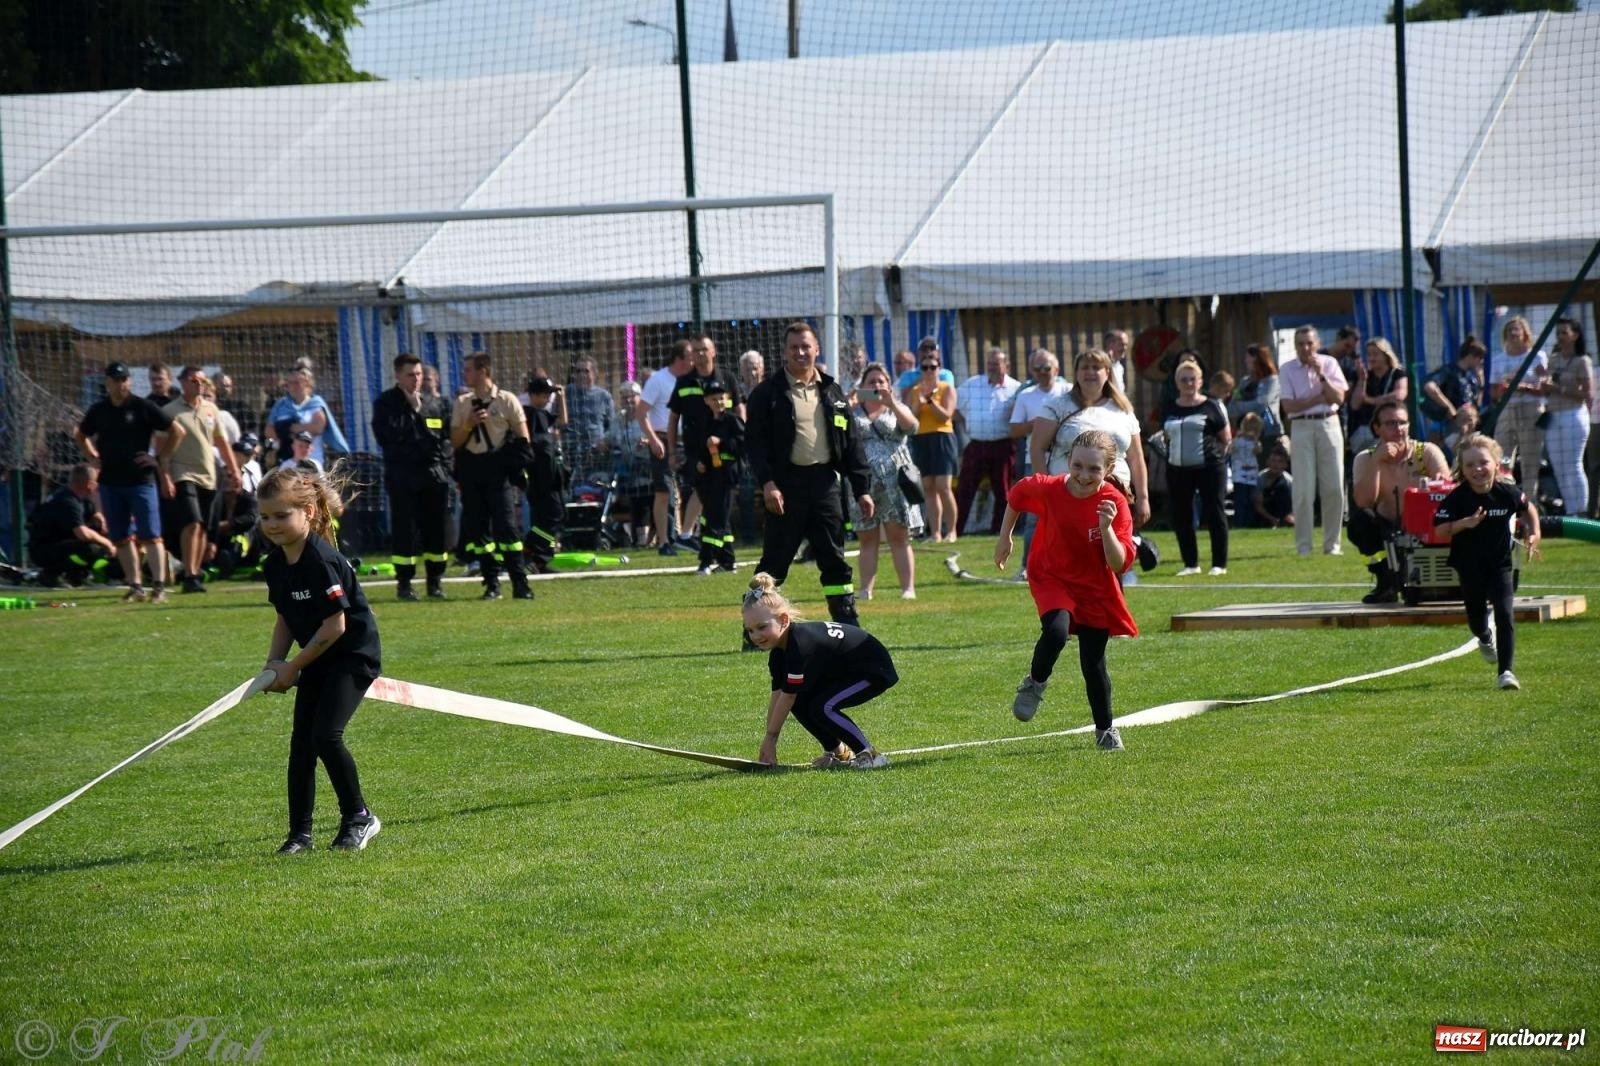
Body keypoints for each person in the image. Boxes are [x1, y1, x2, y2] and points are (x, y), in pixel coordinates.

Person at [258, 463, 383, 853]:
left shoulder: (321, 561)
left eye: (282, 515)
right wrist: (273, 663)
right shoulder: (275, 564)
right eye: (265, 517)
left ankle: (359, 817)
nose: (272, 525)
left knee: (326, 735)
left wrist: (292, 667)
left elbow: (335, 626)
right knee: (301, 746)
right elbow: (285, 617)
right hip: (318, 657)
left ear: (308, 512)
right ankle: (300, 835)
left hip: (352, 656)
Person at [995, 429, 1138, 751]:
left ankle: (1105, 730)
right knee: (1056, 632)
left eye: (1094, 469)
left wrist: (1105, 529)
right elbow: (1016, 495)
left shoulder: (1114, 503)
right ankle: (1035, 682)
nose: (1084, 475)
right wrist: (1005, 538)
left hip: (1094, 586)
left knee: (1094, 663)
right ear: (1068, 460)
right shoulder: (1049, 488)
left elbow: (1118, 564)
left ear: (1109, 469)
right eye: (1077, 466)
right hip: (1051, 575)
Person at [745, 321, 874, 626]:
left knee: (834, 559)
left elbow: (852, 443)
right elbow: (755, 445)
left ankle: (847, 624)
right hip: (785, 488)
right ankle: (755, 626)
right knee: (774, 563)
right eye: (794, 347)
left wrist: (862, 489)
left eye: (806, 346)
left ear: (817, 349)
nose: (800, 352)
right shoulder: (767, 394)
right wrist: (768, 483)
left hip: (825, 485)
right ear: (784, 351)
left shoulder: (832, 391)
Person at [742, 573, 896, 770]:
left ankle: (870, 754)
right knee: (802, 702)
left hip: (872, 668)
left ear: (784, 620)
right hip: (845, 671)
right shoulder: (778, 654)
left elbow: (787, 697)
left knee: (823, 707)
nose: (756, 636)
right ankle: (838, 752)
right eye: (750, 630)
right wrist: (768, 738)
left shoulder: (799, 646)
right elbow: (778, 696)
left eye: (762, 627)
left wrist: (771, 739)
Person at [1432, 432, 1541, 690]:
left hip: (1500, 565)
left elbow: (1528, 509)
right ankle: (1483, 636)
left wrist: (1534, 533)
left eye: (1483, 462)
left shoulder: (1507, 493)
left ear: (1496, 464)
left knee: (1504, 613)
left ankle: (1506, 673)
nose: (1478, 469)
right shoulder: (1457, 498)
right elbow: (1439, 530)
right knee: (1476, 619)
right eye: (1470, 465)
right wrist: (1465, 523)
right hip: (1469, 566)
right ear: (1462, 469)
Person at [75, 361, 186, 603]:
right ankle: (135, 586)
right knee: (122, 537)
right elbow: (81, 434)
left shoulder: (142, 406)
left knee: (151, 535)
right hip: (111, 482)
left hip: (141, 481)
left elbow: (177, 431)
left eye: (124, 380)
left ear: (130, 381)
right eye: (116, 381)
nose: (121, 385)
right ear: (107, 383)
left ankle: (158, 587)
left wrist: (159, 457)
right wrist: (92, 457)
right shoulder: (99, 410)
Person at [1030, 348, 1153, 531]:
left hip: (1115, 498)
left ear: (1107, 373)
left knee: (1113, 547)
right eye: (1085, 367)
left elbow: (1136, 458)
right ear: (1076, 373)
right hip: (1068, 496)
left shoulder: (1123, 409)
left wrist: (1142, 498)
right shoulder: (1057, 406)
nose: (1090, 372)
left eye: (1096, 367)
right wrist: (1045, 491)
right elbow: (1037, 449)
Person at [1347, 398, 1450, 603]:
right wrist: (1377, 461)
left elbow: (1447, 492)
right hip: (1386, 529)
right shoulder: (1365, 458)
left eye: (1402, 422)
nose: (1398, 428)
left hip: (1423, 525)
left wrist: (1438, 483)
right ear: (1377, 428)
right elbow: (1363, 501)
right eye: (1390, 423)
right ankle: (1385, 577)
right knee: (1359, 523)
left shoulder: (1426, 452)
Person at [371, 353, 454, 600]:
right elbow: (388, 437)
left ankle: (435, 582)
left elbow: (444, 439)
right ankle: (405, 583)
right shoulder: (386, 403)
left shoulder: (434, 403)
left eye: (419, 374)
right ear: (398, 375)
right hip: (403, 476)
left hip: (433, 475)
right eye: (410, 375)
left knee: (436, 529)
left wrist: (445, 467)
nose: (416, 379)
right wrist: (414, 412)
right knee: (405, 530)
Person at [451, 353, 534, 601]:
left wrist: (509, 461)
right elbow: (455, 441)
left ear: (483, 371)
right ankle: (491, 583)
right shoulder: (463, 402)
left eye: (468, 369)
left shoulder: (506, 400)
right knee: (478, 530)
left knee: (507, 527)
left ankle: (520, 583)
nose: (465, 374)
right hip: (472, 469)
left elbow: (523, 439)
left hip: (498, 470)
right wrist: (469, 424)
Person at [161, 367, 243, 593]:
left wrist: (234, 470)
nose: (199, 384)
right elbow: (161, 449)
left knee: (203, 526)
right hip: (182, 473)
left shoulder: (211, 409)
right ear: (182, 382)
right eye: (194, 380)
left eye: (202, 380)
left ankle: (193, 574)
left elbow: (222, 443)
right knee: (192, 521)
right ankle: (189, 572)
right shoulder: (169, 411)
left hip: (208, 475)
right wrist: (165, 475)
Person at [848, 364, 922, 600]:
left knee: (898, 536)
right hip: (862, 483)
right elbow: (836, 433)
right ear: (862, 386)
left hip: (895, 482)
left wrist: (892, 404)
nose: (877, 386)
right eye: (871, 382)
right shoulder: (853, 410)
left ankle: (907, 589)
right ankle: (865, 590)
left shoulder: (896, 408)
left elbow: (913, 427)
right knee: (867, 538)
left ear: (889, 385)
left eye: (881, 381)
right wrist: (848, 406)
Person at [1279, 325, 1349, 556]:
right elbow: (1289, 406)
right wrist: (1318, 398)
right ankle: (1304, 546)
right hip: (1301, 426)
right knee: (1303, 489)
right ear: (1295, 346)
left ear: (1317, 344)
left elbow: (1338, 397)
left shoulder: (1329, 363)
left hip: (1329, 423)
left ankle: (1332, 545)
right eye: (1300, 344)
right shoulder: (1287, 369)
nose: (1305, 348)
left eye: (1309, 343)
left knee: (1334, 487)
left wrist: (1322, 376)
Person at [667, 332, 744, 543]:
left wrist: (741, 440)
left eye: (704, 349)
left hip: (724, 451)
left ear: (713, 351)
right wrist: (672, 452)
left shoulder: (727, 378)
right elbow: (673, 419)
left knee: (721, 500)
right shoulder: (684, 382)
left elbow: (739, 410)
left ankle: (714, 543)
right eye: (696, 350)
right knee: (705, 496)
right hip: (697, 452)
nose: (700, 354)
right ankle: (709, 540)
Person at [1160, 355, 1233, 575]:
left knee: (1215, 513)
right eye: (1184, 379)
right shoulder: (1169, 407)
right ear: (1177, 383)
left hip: (1209, 468)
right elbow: (1166, 436)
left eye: (1193, 379)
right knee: (1181, 516)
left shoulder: (1211, 405)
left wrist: (1215, 459)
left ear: (1200, 381)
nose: (1188, 383)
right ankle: (1190, 564)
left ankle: (1219, 564)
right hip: (1177, 469)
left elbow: (1225, 438)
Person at [953, 347, 1021, 535]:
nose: (991, 367)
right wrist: (967, 423)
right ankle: (955, 530)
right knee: (964, 490)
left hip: (1003, 445)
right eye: (989, 363)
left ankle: (999, 531)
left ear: (1006, 365)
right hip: (976, 445)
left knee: (1003, 491)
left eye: (996, 363)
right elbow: (953, 407)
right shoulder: (972, 384)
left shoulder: (1016, 388)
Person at [636, 340, 694, 553]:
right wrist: (653, 439)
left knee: (698, 487)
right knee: (664, 492)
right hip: (663, 438)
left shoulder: (691, 380)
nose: (694, 361)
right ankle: (664, 542)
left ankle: (687, 535)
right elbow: (641, 412)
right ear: (679, 359)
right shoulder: (658, 380)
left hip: (687, 439)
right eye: (690, 357)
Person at [1489, 315, 1548, 504]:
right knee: (1503, 458)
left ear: (1525, 333)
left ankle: (1530, 505)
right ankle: (1505, 501)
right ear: (1505, 335)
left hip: (1531, 410)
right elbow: (1493, 392)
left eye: (1517, 329)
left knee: (1530, 462)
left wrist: (1522, 387)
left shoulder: (1537, 356)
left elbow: (1545, 387)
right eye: (1509, 330)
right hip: (1507, 410)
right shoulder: (1498, 360)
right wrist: (1503, 388)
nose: (1513, 333)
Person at [27, 463, 116, 587]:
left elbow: (94, 520)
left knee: (101, 539)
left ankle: (76, 575)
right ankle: (51, 574)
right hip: (44, 550)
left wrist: (98, 517)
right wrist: (107, 543)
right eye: (96, 483)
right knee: (92, 550)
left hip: (61, 544)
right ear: (90, 484)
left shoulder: (81, 499)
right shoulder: (66, 500)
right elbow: (82, 533)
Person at [1539, 317, 1592, 516]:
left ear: (1575, 335)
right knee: (1558, 465)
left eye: (1564, 332)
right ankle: (1571, 511)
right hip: (1554, 415)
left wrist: (1558, 388)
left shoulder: (1582, 361)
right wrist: (1542, 381)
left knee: (1573, 464)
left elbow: (1586, 394)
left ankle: (1582, 511)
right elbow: (1547, 387)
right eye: (1558, 333)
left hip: (1573, 415)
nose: (1560, 337)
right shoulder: (1553, 359)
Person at [692, 380, 744, 575]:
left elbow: (742, 445)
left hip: (726, 475)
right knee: (715, 518)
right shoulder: (705, 422)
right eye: (714, 399)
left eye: (721, 398)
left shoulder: (732, 420)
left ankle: (706, 560)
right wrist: (700, 462)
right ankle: (728, 562)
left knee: (716, 519)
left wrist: (721, 442)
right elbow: (700, 446)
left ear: (727, 398)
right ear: (707, 401)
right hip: (709, 477)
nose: (718, 402)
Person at [909, 346, 959, 542]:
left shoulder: (947, 388)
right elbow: (911, 417)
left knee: (943, 487)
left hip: (942, 437)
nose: (929, 371)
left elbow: (946, 416)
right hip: (921, 438)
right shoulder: (916, 390)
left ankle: (952, 531)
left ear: (939, 368)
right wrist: (920, 403)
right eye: (925, 367)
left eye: (932, 367)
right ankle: (935, 533)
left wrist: (931, 402)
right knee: (928, 487)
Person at [522, 373, 568, 575]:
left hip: (550, 476)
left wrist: (561, 398)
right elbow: (534, 444)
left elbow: (562, 421)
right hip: (541, 478)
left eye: (549, 394)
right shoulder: (531, 414)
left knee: (550, 517)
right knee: (552, 516)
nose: (547, 398)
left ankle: (541, 559)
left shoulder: (541, 414)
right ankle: (530, 549)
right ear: (533, 395)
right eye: (543, 394)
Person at [269, 368, 350, 468]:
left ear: (306, 383)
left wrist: (289, 428)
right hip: (287, 460)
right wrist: (298, 431)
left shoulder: (315, 404)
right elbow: (269, 431)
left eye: (297, 382)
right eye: (290, 383)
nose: (293, 386)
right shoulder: (281, 405)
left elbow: (318, 428)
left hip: (313, 460)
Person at [1346, 338, 1410, 454]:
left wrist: (1370, 400)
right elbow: (1355, 404)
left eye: (1375, 354)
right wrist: (1362, 380)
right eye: (1369, 355)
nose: (1371, 358)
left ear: (1385, 355)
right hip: (1366, 430)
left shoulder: (1397, 374)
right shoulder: (1363, 376)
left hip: (1391, 428)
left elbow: (1399, 395)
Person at [1420, 335, 1487, 429]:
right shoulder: (1449, 371)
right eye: (1480, 358)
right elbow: (1429, 387)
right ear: (1471, 356)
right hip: (1451, 423)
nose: (1481, 362)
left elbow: (1477, 405)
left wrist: (1481, 383)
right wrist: (1449, 407)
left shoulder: (1471, 377)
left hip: (1468, 421)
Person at [1230, 343, 1283, 455]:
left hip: (1267, 431)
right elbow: (1232, 405)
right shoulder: (1244, 382)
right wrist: (1241, 406)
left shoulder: (1272, 381)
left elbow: (1261, 405)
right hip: (1245, 433)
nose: (1246, 361)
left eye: (1249, 358)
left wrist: (1241, 406)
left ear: (1258, 359)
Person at [1229, 412, 1264, 529]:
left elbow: (1257, 450)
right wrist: (1238, 437)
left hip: (1252, 475)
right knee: (1240, 500)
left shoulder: (1255, 442)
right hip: (1239, 475)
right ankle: (1239, 524)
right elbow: (1230, 450)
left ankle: (1248, 524)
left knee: (1250, 500)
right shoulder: (1237, 440)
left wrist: (1255, 439)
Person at [1254, 447, 1295, 528]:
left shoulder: (1289, 481)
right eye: (1273, 460)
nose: (1275, 464)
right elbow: (1258, 504)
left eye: (1280, 461)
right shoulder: (1260, 478)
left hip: (1284, 513)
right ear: (1267, 462)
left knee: (1282, 489)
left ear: (1285, 465)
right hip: (1265, 514)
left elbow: (1295, 503)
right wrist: (1272, 519)